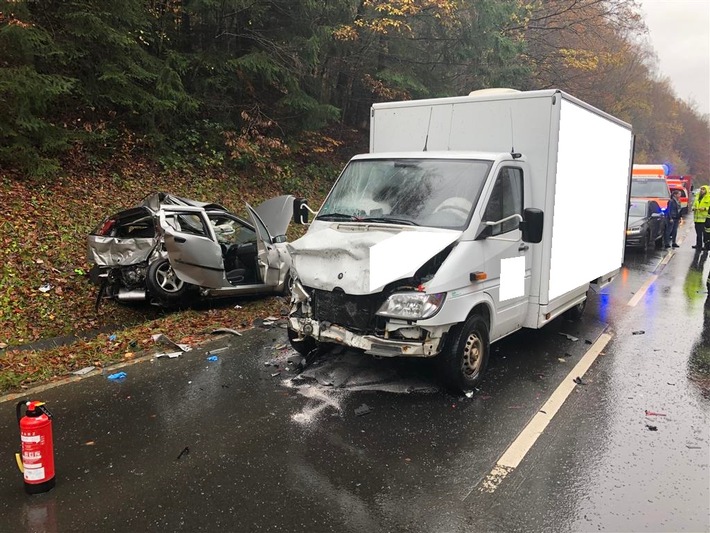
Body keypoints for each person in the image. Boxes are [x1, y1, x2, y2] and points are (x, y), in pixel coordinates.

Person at [691, 185, 710, 249]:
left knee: (704, 233)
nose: (702, 190)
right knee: (698, 233)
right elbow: (694, 204)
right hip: (696, 218)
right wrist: (693, 208)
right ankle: (698, 244)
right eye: (701, 189)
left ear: (706, 190)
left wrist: (704, 208)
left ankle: (704, 245)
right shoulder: (697, 196)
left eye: (703, 189)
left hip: (704, 219)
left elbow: (709, 207)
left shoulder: (708, 198)